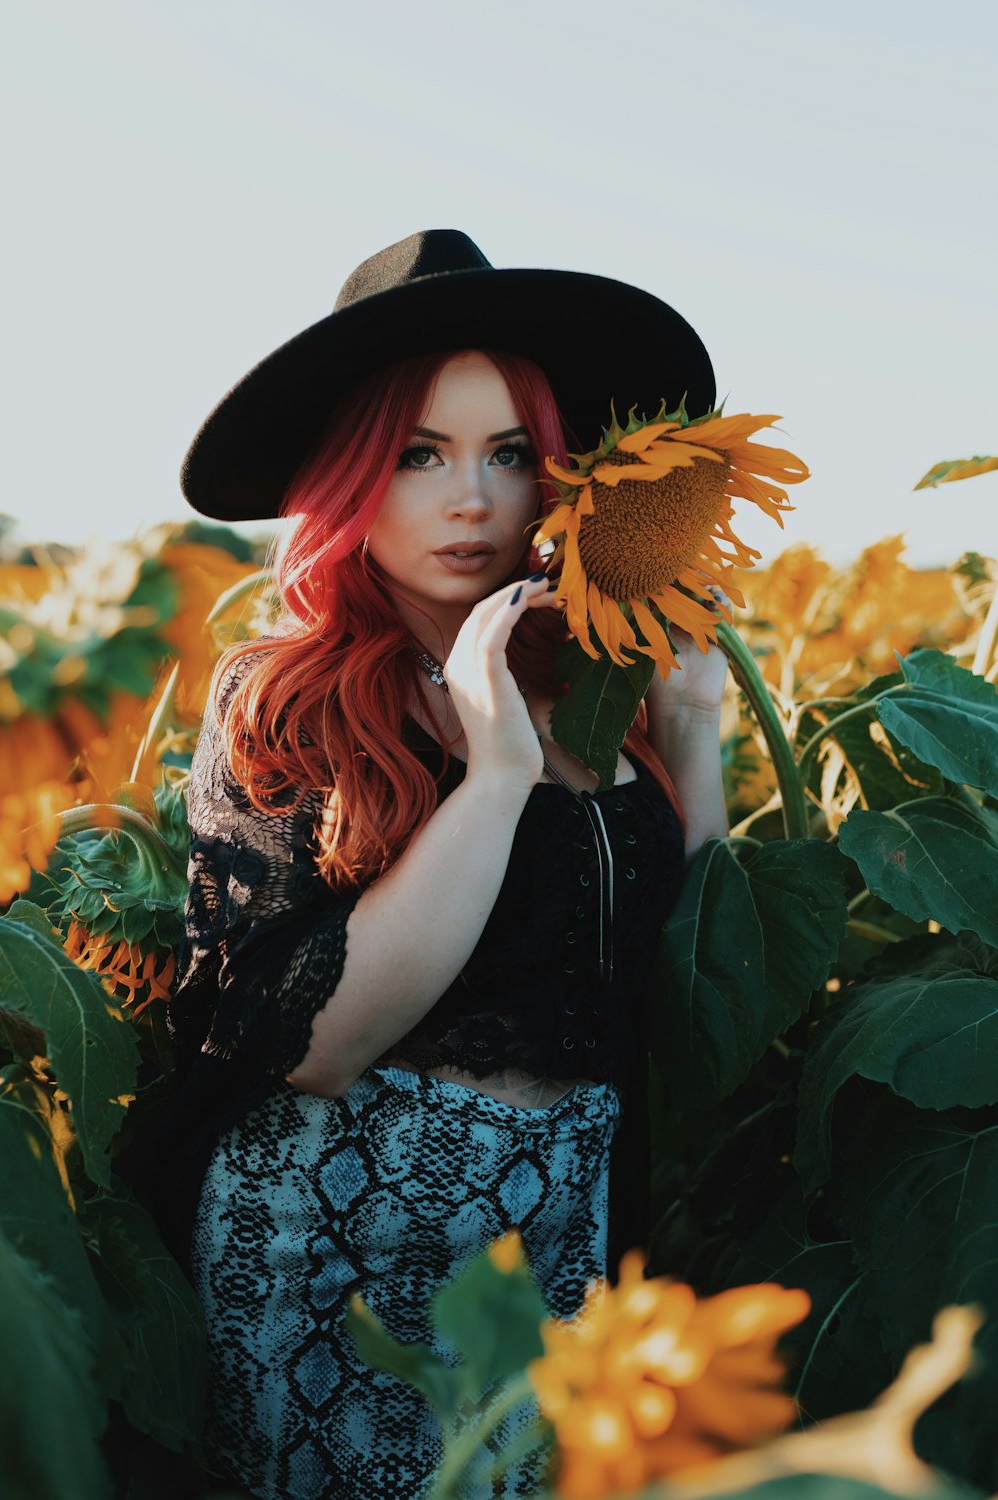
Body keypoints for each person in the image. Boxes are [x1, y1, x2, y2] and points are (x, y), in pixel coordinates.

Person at [155, 230, 731, 1500]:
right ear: (351, 475)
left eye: (509, 453)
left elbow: (669, 963)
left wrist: (691, 728)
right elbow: (315, 1039)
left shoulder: (593, 696)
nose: (471, 498)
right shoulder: (286, 696)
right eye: (418, 455)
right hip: (342, 1236)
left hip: (560, 1230)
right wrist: (496, 774)